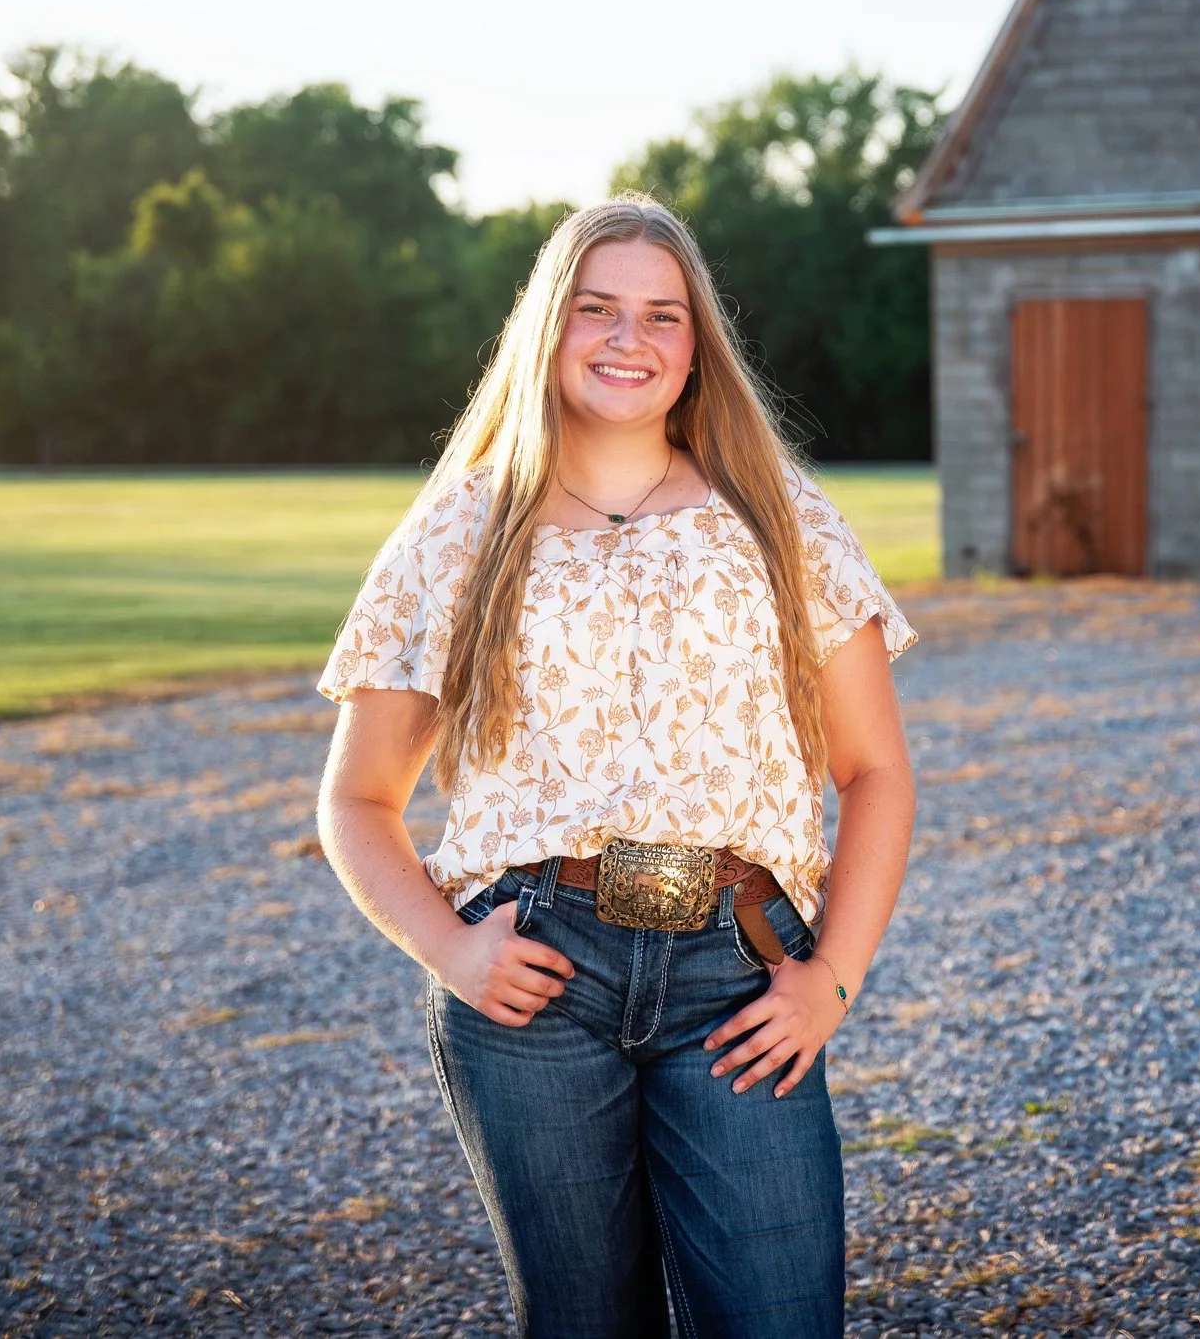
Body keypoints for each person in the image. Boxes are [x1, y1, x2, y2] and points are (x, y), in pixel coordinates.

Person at [313, 194, 918, 1339]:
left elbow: (876, 771)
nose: (627, 339)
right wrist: (448, 946)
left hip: (737, 976)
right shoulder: (461, 528)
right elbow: (355, 799)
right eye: (596, 308)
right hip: (537, 976)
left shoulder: (778, 517)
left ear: (697, 349)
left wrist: (830, 978)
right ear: (549, 327)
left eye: (661, 316)